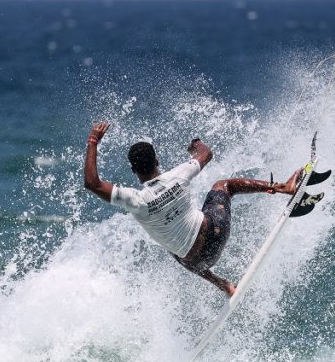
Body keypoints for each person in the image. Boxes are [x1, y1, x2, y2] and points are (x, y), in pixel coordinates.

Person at [83, 121, 301, 296]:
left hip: (198, 262)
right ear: (157, 160)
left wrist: (93, 141)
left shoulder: (135, 200)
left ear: (133, 169)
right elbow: (206, 153)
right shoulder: (178, 175)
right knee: (224, 185)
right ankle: (283, 187)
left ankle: (223, 285)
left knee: (171, 245)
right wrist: (195, 144)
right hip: (216, 234)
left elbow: (92, 183)